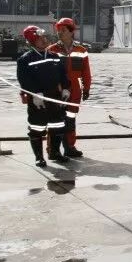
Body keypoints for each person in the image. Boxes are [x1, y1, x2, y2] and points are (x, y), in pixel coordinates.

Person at [17, 25, 70, 167]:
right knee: (37, 128)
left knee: (58, 125)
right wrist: (34, 94)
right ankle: (39, 157)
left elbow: (63, 75)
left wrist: (66, 88)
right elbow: (24, 80)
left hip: (54, 97)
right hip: (37, 99)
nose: (44, 40)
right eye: (40, 38)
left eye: (44, 37)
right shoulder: (25, 59)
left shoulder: (54, 57)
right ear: (32, 41)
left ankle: (55, 153)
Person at [47, 17, 89, 158]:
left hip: (75, 91)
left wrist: (86, 88)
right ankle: (53, 150)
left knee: (70, 120)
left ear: (71, 31)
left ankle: (70, 147)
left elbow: (86, 72)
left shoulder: (81, 50)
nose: (59, 32)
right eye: (58, 30)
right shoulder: (51, 50)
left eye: (63, 30)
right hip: (56, 90)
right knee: (55, 121)